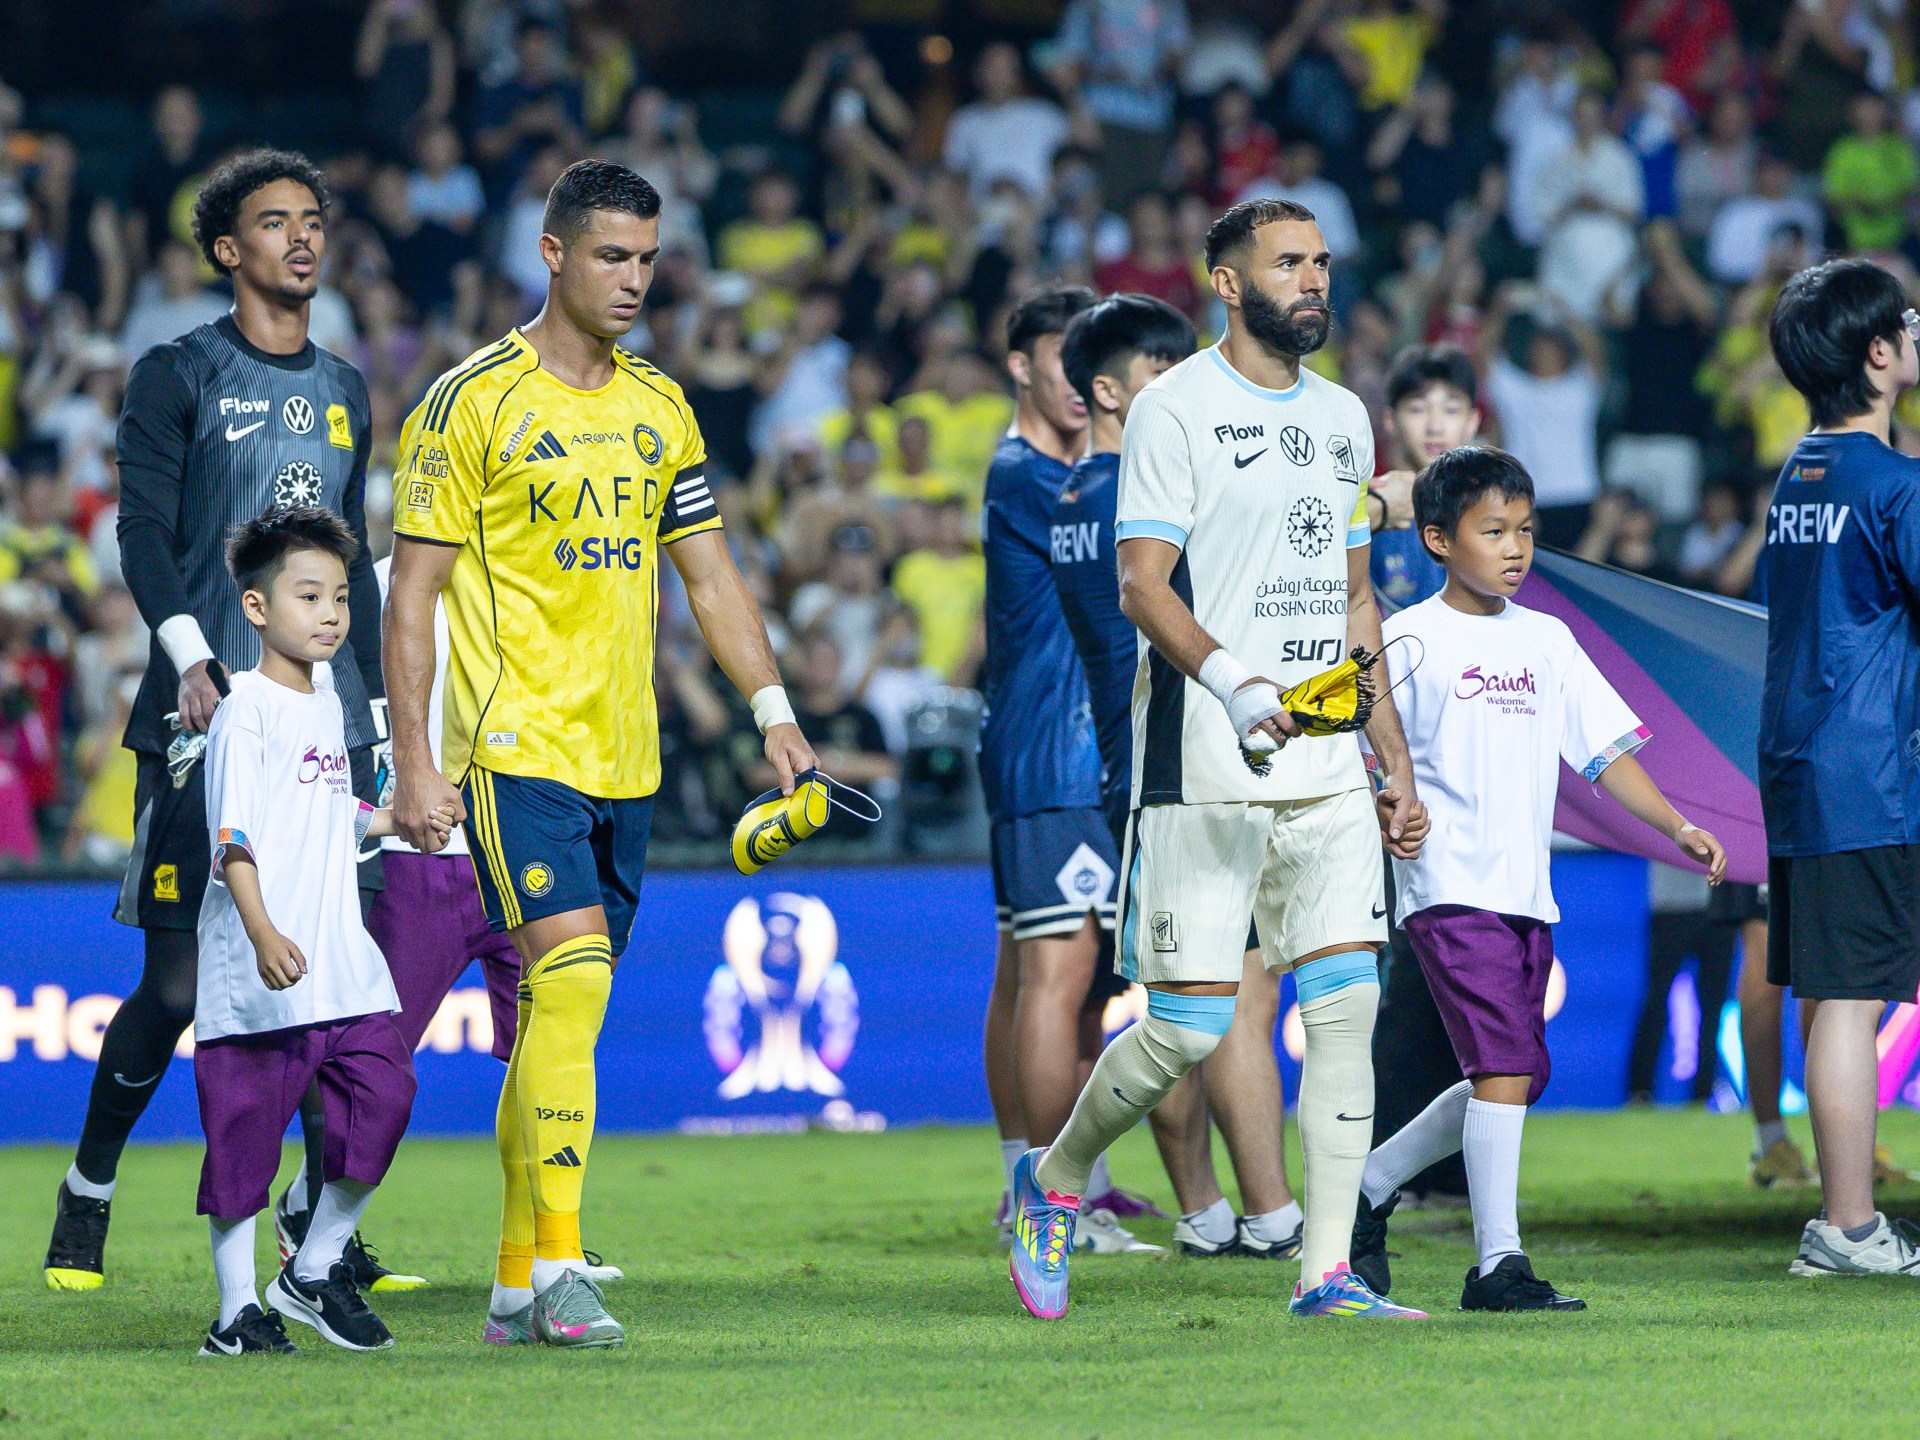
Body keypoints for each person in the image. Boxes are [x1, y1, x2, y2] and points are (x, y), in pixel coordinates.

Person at [384, 159, 816, 1348]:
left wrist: (773, 709)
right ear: (554, 253)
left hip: (627, 753)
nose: (635, 279)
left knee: (556, 1026)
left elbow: (712, 576)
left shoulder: (661, 406)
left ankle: (518, 1280)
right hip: (511, 741)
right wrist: (418, 763)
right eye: (612, 256)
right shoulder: (470, 400)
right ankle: (566, 1266)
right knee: (567, 987)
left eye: (648, 258)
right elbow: (410, 595)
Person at [1007, 198, 1430, 1321]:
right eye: (1289, 263)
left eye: (1323, 262)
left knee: (1342, 1007)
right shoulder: (1175, 410)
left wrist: (1389, 754)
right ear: (1230, 284)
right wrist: (1237, 683)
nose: (1313, 281)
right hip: (1202, 758)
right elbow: (1141, 584)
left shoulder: (1345, 418)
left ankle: (1327, 1271)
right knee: (1189, 1025)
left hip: (1328, 762)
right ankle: (1053, 1182)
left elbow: (1351, 598)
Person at [43, 150, 411, 1294]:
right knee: (174, 990)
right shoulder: (178, 374)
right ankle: (90, 1188)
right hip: (202, 716)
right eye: (274, 224)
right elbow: (143, 535)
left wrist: (387, 716)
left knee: (327, 981)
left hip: (328, 727)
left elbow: (357, 569)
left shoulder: (347, 389)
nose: (301, 240)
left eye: (312, 221)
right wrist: (193, 658)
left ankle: (316, 1233)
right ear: (226, 249)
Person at [1348, 447, 1726, 1313]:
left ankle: (1369, 1182)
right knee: (1507, 1067)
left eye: (1524, 530)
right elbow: (1365, 747)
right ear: (1438, 540)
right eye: (1493, 531)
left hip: (1527, 890)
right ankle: (1498, 1265)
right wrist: (1386, 803)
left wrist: (1675, 824)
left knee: (1511, 1074)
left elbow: (1604, 754)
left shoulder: (1548, 639)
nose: (1514, 548)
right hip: (1446, 886)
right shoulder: (1405, 639)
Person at [1050, 292, 1308, 1260]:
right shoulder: (1142, 505)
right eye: (1162, 368)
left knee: (1190, 1001)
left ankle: (1205, 1212)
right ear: (1109, 393)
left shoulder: (1073, 500)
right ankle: (1270, 1214)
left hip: (1147, 767)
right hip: (1184, 765)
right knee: (1227, 997)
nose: (1185, 383)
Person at [193, 508, 452, 1357]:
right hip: (261, 972)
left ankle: (315, 1265)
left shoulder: (332, 696)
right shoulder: (246, 709)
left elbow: (321, 811)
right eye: (310, 596)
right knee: (244, 1152)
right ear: (258, 608)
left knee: (386, 1097)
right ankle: (236, 1316)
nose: (332, 614)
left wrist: (389, 820)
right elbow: (234, 836)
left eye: (340, 597)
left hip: (342, 965)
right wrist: (263, 932)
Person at [978, 286, 1158, 1256]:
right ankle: (1055, 1201)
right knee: (1059, 974)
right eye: (1063, 362)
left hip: (1027, 747)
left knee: (1034, 974)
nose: (1084, 385)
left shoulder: (1034, 473)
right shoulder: (1035, 477)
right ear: (1022, 366)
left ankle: (1030, 1176)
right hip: (1062, 751)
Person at [1761, 260, 1920, 1275]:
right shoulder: (1894, 486)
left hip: (1804, 758)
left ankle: (1843, 1217)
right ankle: (1850, 1227)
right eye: (1907, 322)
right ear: (1876, 353)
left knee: (1831, 995)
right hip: (1870, 770)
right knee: (1854, 1000)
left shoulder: (1799, 473)